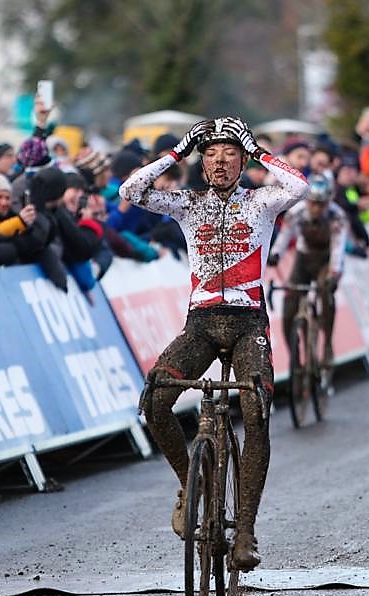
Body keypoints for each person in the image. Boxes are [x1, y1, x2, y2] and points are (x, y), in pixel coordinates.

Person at [121, 117, 309, 571]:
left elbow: (300, 186)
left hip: (248, 325)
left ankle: (245, 530)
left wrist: (260, 150)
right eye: (211, 156)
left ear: (241, 162)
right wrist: (177, 151)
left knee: (255, 414)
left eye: (229, 156)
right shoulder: (188, 203)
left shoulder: (263, 202)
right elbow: (130, 192)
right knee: (156, 399)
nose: (219, 163)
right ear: (202, 164)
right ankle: (192, 486)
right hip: (202, 324)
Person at [267, 173, 348, 391]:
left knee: (325, 292)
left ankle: (327, 343)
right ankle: (296, 358)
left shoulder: (337, 217)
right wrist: (275, 255)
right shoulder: (296, 213)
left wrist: (334, 273)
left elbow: (339, 249)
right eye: (313, 203)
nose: (316, 209)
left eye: (321, 205)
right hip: (303, 260)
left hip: (325, 260)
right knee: (289, 303)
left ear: (328, 203)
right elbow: (284, 238)